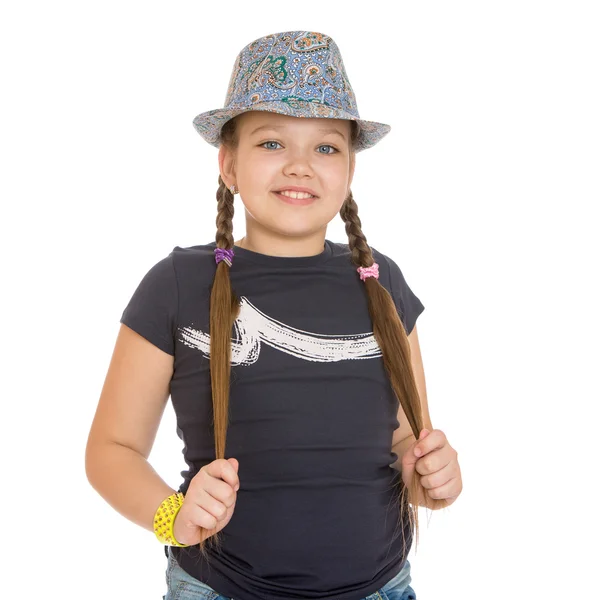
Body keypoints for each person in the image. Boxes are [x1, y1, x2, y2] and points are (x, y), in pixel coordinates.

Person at [86, 30, 463, 600]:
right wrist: (174, 516)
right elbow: (110, 450)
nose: (300, 166)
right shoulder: (179, 285)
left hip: (380, 587)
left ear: (349, 171)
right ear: (228, 164)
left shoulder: (381, 283)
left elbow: (406, 440)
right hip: (221, 588)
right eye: (270, 144)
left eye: (327, 147)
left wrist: (428, 477)